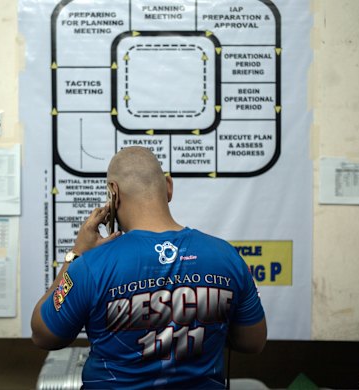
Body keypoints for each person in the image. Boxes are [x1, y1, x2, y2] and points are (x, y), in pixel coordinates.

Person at [31, 146, 267, 389]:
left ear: (113, 193)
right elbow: (253, 342)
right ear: (168, 186)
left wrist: (76, 254)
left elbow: (43, 334)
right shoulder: (226, 257)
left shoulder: (91, 265)